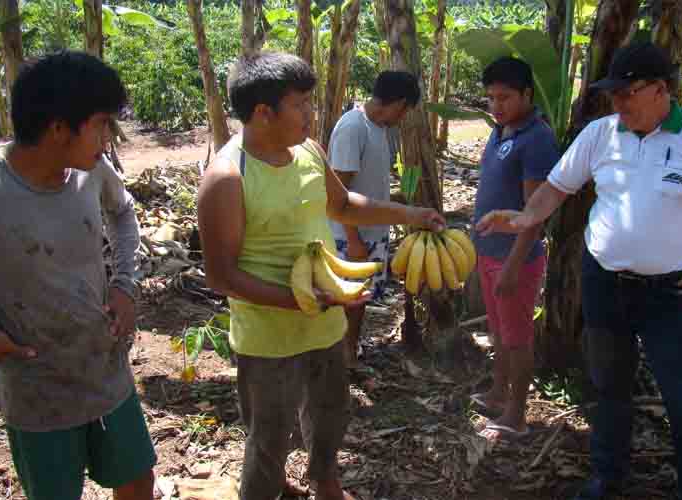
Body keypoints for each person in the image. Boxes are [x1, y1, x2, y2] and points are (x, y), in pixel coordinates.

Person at [478, 42, 682, 500]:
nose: (617, 103)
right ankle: (606, 478)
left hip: (670, 293)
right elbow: (556, 187)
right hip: (604, 283)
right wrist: (522, 219)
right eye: (612, 94)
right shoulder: (602, 133)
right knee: (609, 390)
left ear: (660, 89)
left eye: (627, 93)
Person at [196, 52, 444, 500]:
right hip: (268, 337)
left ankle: (324, 479)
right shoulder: (228, 178)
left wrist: (413, 213)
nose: (312, 113)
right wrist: (300, 299)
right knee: (269, 440)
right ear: (262, 112)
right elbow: (221, 276)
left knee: (330, 416)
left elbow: (343, 205)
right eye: (301, 105)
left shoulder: (308, 151)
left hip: (326, 325)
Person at [0, 51, 156, 500]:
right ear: (58, 129)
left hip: (106, 372)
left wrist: (124, 285)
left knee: (137, 482)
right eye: (101, 124)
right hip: (38, 392)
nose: (108, 138)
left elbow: (123, 214)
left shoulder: (90, 171)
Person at [468, 57, 559, 438]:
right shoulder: (501, 131)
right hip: (490, 251)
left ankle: (516, 415)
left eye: (504, 97)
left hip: (515, 259)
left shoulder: (537, 139)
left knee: (517, 337)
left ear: (527, 94)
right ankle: (496, 392)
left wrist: (512, 264)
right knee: (498, 329)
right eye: (491, 98)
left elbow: (534, 213)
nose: (496, 106)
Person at [327, 70, 420, 368]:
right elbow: (338, 192)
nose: (403, 118)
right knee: (343, 299)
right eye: (405, 111)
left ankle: (349, 350)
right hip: (348, 235)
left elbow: (369, 183)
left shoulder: (379, 128)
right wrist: (353, 240)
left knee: (359, 299)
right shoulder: (353, 127)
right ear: (400, 104)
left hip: (372, 233)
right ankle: (335, 358)